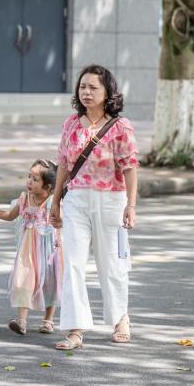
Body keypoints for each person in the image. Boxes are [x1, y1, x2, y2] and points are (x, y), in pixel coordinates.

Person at [49, 65, 138, 351]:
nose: (86, 92)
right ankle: (75, 328)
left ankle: (120, 318)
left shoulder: (120, 127)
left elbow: (130, 167)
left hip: (111, 200)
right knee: (73, 264)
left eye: (93, 87)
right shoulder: (71, 124)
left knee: (111, 264)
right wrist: (55, 201)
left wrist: (131, 205)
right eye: (82, 86)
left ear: (107, 92)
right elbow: (63, 164)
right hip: (76, 200)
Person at [0, 159, 62, 336]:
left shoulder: (53, 202)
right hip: (27, 249)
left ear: (48, 187)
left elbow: (62, 222)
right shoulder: (25, 199)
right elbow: (10, 215)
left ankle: (48, 320)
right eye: (29, 177)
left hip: (49, 248)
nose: (29, 181)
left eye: (35, 179)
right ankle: (21, 320)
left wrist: (61, 232)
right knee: (23, 278)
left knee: (50, 280)